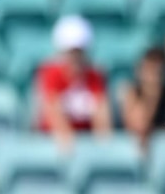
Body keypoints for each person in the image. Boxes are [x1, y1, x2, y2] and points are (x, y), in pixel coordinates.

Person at [34, 15, 112, 151]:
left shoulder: (94, 76)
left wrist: (102, 147)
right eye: (71, 53)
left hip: (86, 143)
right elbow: (54, 113)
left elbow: (102, 116)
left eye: (79, 52)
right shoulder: (51, 73)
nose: (75, 58)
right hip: (52, 145)